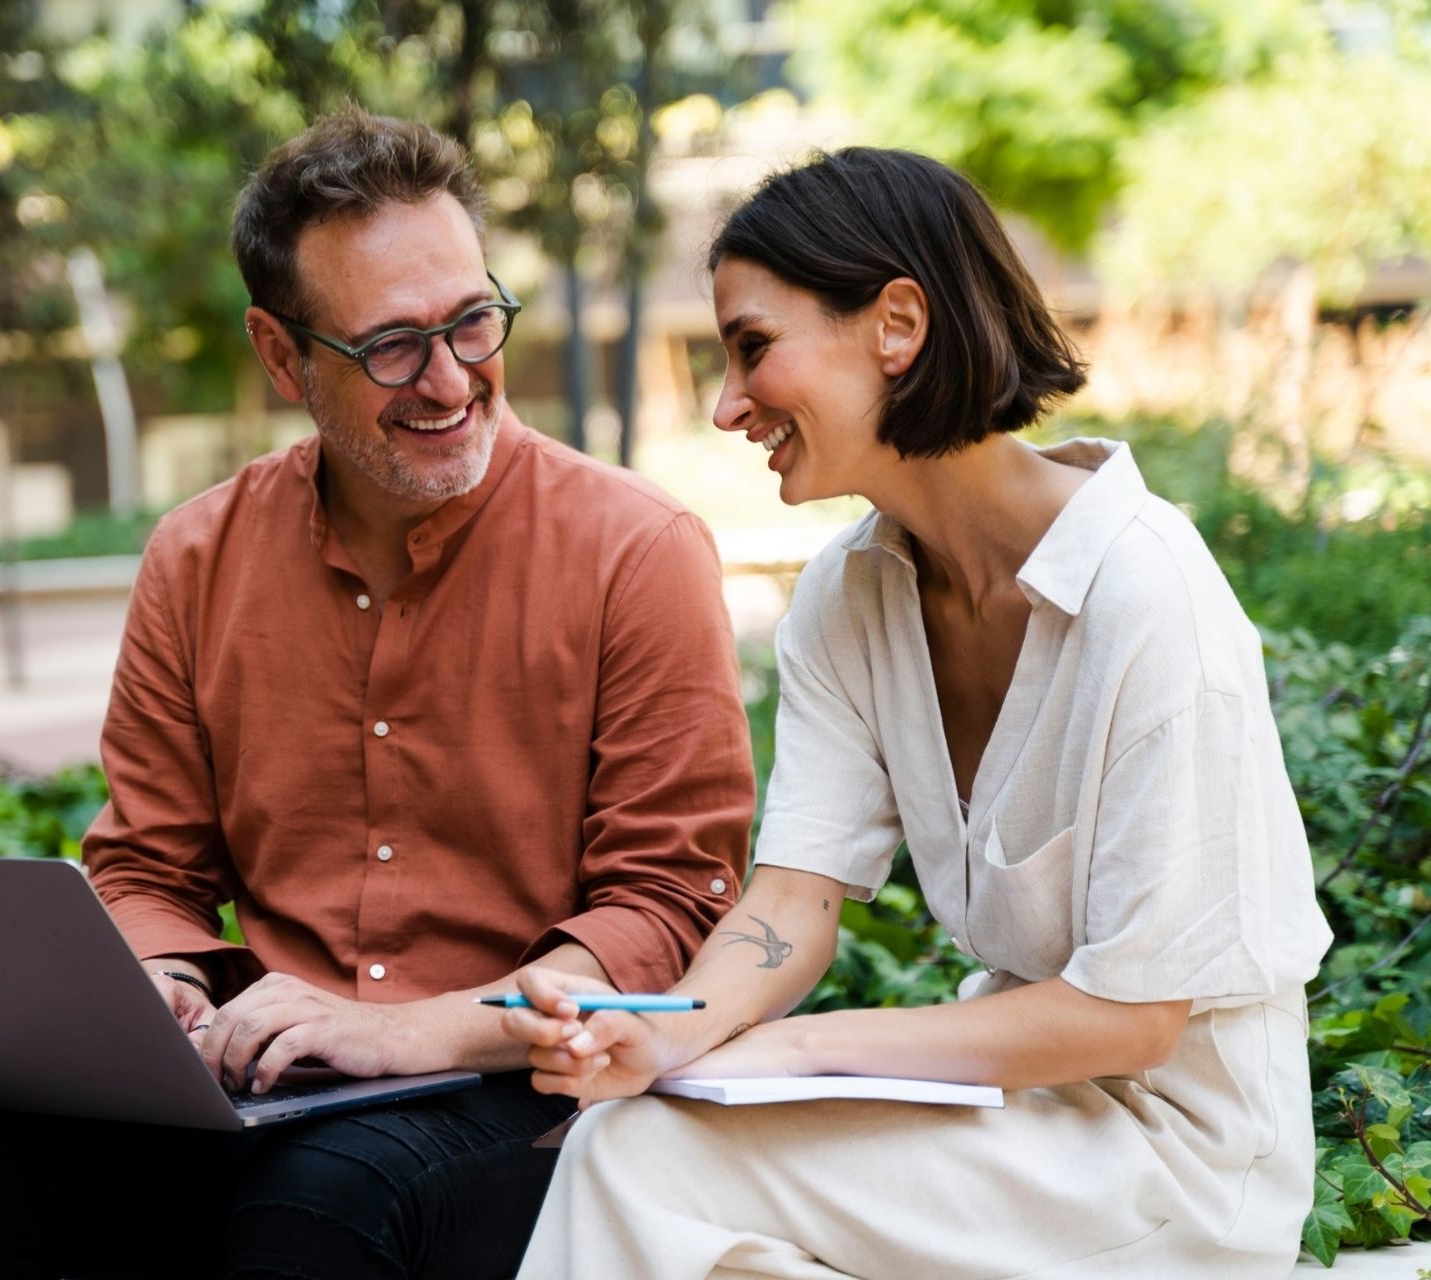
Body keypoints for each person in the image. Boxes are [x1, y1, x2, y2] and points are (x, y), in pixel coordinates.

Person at [0, 107, 755, 1280]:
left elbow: (665, 905)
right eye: (393, 345)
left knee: (321, 1210)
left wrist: (401, 1033)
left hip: (521, 1087)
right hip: (271, 1083)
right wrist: (165, 991)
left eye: (472, 321)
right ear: (282, 354)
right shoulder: (197, 557)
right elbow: (148, 866)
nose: (451, 379)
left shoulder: (637, 550)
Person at [504, 147, 1333, 1280]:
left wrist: (787, 1049)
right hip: (1015, 1125)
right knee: (670, 1182)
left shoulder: (1149, 590)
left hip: (1181, 1166)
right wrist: (674, 1024)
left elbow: (1132, 1019)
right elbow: (794, 894)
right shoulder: (851, 595)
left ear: (897, 322)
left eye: (753, 347)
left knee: (638, 1161)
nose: (726, 402)